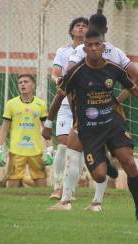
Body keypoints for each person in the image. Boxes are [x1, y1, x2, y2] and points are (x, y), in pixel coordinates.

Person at [43, 30, 138, 221]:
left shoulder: (113, 68)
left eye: (97, 45)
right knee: (100, 176)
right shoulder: (76, 71)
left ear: (103, 46)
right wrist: (48, 124)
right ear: (84, 49)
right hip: (89, 129)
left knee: (129, 162)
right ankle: (105, 161)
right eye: (89, 45)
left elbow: (134, 89)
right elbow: (59, 98)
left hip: (112, 123)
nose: (93, 48)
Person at [47, 13, 138, 212]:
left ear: (90, 29)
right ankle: (97, 203)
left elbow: (68, 76)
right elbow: (136, 77)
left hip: (80, 110)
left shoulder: (82, 50)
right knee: (101, 154)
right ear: (106, 29)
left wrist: (49, 121)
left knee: (72, 151)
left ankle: (65, 201)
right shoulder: (115, 52)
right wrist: (117, 99)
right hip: (105, 110)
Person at [49, 17, 89, 199]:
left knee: (78, 148)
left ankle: (70, 189)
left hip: (85, 104)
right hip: (66, 103)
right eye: (77, 26)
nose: (81, 28)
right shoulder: (63, 51)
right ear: (72, 30)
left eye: (84, 26)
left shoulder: (93, 50)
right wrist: (61, 82)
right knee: (63, 146)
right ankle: (57, 186)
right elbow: (55, 73)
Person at [0, 74, 48, 187]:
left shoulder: (41, 104)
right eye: (20, 82)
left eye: (26, 82)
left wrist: (50, 150)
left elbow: (46, 129)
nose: (22, 84)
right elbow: (4, 128)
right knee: (12, 188)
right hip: (16, 152)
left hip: (35, 152)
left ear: (33, 85)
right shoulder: (11, 104)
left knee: (42, 188)